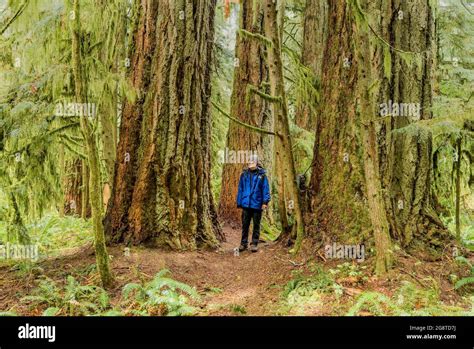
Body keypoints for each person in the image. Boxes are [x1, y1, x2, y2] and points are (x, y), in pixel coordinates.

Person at [236, 154, 271, 253]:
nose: (250, 163)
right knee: (245, 224)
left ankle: (254, 243)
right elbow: (241, 189)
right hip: (246, 204)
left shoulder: (262, 175)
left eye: (252, 162)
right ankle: (243, 243)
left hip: (257, 204)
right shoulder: (244, 174)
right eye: (249, 162)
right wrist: (239, 202)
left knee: (256, 224)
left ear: (256, 163)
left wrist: (265, 202)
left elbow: (265, 189)